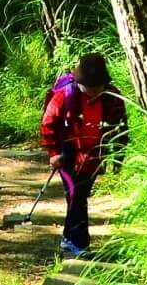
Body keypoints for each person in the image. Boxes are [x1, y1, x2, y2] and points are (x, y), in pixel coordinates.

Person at [39, 53, 128, 257]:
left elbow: (121, 129)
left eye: (99, 86)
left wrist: (117, 158)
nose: (95, 91)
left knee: (79, 196)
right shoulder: (65, 96)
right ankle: (79, 243)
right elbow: (48, 123)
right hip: (67, 155)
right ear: (82, 82)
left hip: (93, 158)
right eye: (91, 87)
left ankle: (69, 239)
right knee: (76, 195)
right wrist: (53, 153)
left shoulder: (112, 98)